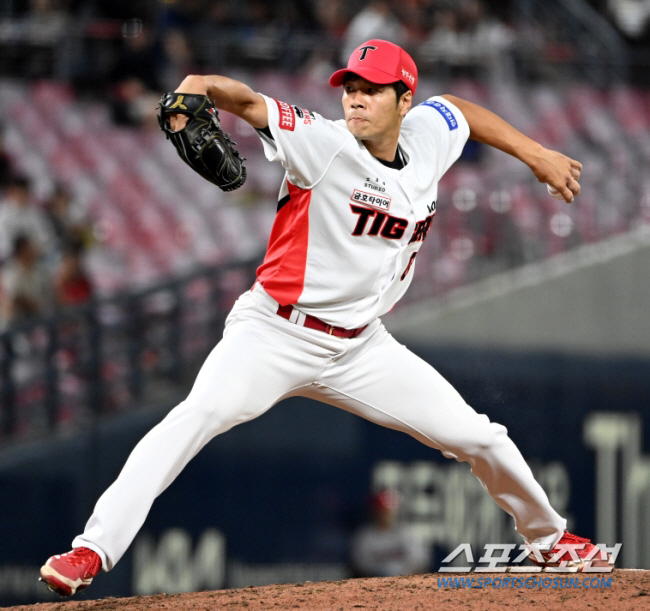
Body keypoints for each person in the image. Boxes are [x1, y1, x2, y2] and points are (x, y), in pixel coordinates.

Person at [40, 39, 606, 597]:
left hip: (362, 348)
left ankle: (548, 540)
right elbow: (244, 100)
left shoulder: (427, 140)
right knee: (196, 416)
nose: (355, 99)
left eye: (372, 90)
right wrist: (197, 87)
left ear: (404, 101)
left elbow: (459, 109)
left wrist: (536, 153)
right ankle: (91, 550)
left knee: (480, 438)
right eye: (350, 87)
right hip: (274, 332)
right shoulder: (322, 142)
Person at [350, 489, 430, 577]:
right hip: (375, 582)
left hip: (407, 581)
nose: (386, 514)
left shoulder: (408, 533)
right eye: (382, 511)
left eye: (389, 511)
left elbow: (419, 563)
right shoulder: (364, 536)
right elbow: (360, 567)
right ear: (375, 512)